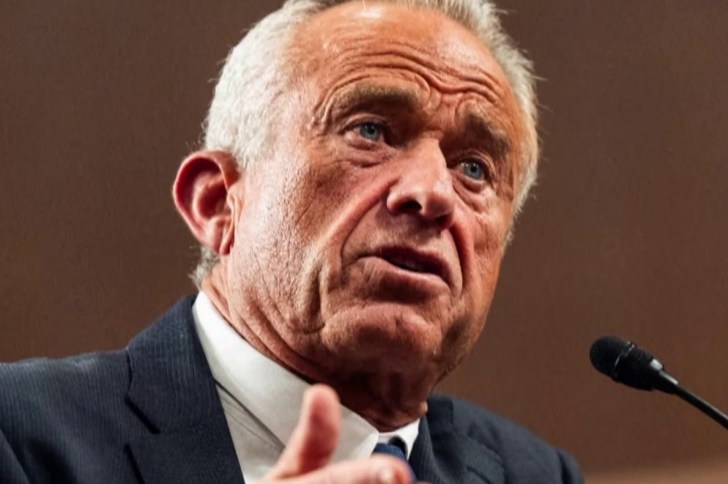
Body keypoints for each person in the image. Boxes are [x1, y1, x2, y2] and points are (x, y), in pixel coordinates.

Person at [0, 1, 585, 483]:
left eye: (474, 169)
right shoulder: (20, 437)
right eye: (371, 131)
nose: (433, 193)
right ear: (217, 202)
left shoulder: (536, 474)